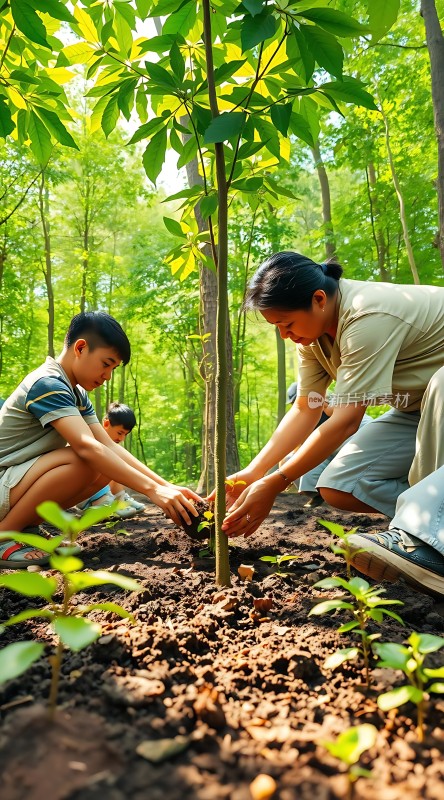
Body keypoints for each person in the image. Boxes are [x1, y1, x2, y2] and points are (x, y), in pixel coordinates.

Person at [220, 251, 444, 592]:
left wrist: (277, 482)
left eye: (287, 323)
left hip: (439, 395)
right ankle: (425, 523)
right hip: (418, 406)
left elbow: (345, 421)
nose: (284, 335)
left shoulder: (369, 315)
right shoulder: (313, 337)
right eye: (277, 327)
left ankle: (427, 541)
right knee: (342, 484)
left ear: (319, 299)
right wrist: (256, 472)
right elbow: (305, 409)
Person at [0, 311, 200, 568]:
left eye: (113, 369)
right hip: (5, 480)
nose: (107, 376)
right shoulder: (47, 384)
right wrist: (152, 491)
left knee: (104, 468)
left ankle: (26, 529)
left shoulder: (76, 393)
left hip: (12, 484)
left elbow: (107, 445)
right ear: (81, 348)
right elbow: (87, 446)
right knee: (84, 460)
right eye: (106, 364)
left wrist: (166, 486)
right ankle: (5, 534)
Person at [282, 381, 371, 507]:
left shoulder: (332, 406)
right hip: (333, 448)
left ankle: (352, 496)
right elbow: (298, 446)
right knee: (293, 460)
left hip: (358, 441)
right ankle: (318, 497)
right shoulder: (307, 419)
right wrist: (284, 474)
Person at [75, 402, 146, 519]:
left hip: (100, 486)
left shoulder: (112, 446)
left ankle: (119, 498)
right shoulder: (90, 438)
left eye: (125, 435)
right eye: (120, 433)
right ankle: (100, 501)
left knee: (115, 461)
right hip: (84, 492)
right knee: (106, 460)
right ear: (107, 424)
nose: (122, 438)